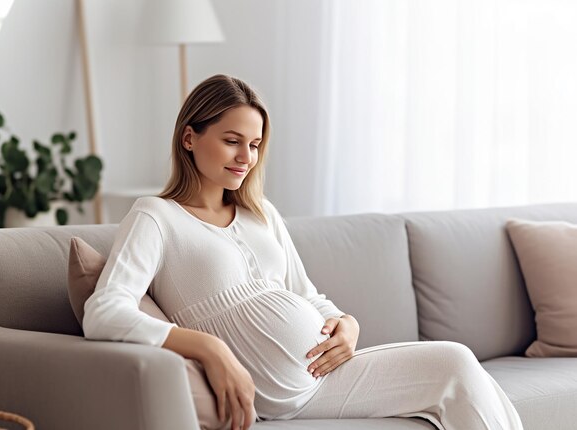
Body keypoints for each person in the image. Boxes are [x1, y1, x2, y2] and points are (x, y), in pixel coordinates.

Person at [83, 74, 524, 430]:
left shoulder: (262, 215)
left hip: (326, 376)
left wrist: (347, 325)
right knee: (455, 364)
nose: (246, 157)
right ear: (189, 138)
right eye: (232, 140)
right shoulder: (156, 217)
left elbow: (308, 295)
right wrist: (208, 349)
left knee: (456, 363)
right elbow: (104, 312)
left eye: (255, 145)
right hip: (278, 393)